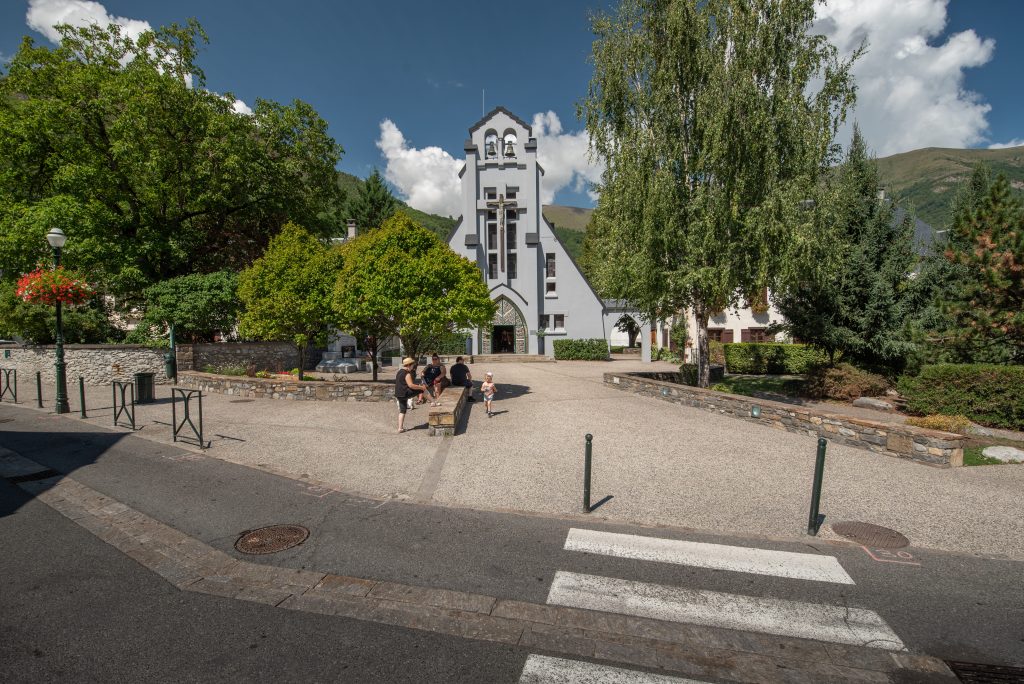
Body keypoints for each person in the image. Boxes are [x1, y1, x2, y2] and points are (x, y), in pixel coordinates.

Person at [395, 357, 427, 433]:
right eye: (412, 365)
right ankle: (433, 401)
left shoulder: (399, 372)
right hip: (405, 393)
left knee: (402, 411)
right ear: (409, 365)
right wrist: (421, 387)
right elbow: (411, 385)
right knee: (422, 389)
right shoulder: (407, 373)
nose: (413, 366)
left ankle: (400, 428)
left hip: (399, 394)